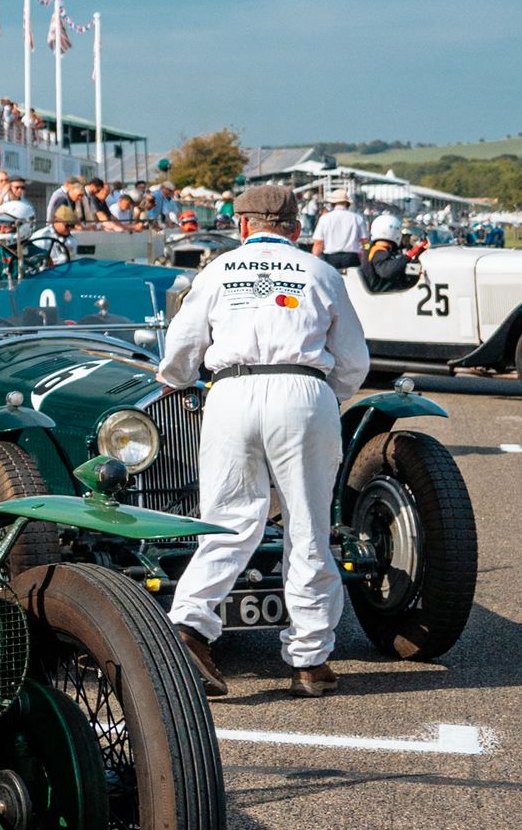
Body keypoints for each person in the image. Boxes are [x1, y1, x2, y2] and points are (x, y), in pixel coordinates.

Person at [157, 184, 370, 700]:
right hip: (303, 390)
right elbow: (354, 362)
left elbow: (181, 351)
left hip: (231, 391)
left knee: (226, 522)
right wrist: (321, 395)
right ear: (296, 228)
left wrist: (180, 377)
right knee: (307, 525)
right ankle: (310, 660)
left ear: (244, 226)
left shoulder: (217, 270)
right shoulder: (322, 273)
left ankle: (188, 628)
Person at [358, 213, 424, 294]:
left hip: (380, 288)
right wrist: (408, 256)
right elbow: (387, 271)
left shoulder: (371, 247)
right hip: (384, 292)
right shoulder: (379, 251)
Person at [311, 188, 368, 269]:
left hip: (331, 258)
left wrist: (314, 259)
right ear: (347, 203)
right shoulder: (357, 218)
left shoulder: (324, 218)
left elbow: (318, 243)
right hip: (352, 258)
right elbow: (365, 242)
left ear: (333, 203)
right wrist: (365, 254)